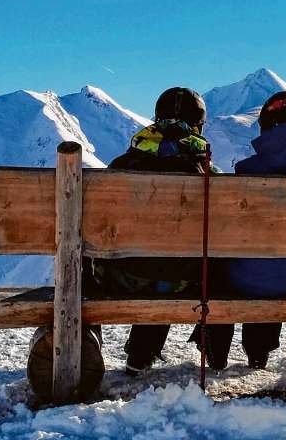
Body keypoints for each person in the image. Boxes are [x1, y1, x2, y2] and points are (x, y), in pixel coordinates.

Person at [88, 86, 218, 376]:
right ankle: (148, 354)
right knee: (169, 269)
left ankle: (114, 354)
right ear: (199, 124)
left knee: (147, 265)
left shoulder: (121, 166)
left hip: (122, 279)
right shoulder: (208, 172)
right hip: (185, 281)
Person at [199, 90, 286, 370]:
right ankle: (258, 353)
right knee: (273, 265)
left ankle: (215, 351)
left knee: (228, 270)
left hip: (244, 279)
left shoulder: (249, 171)